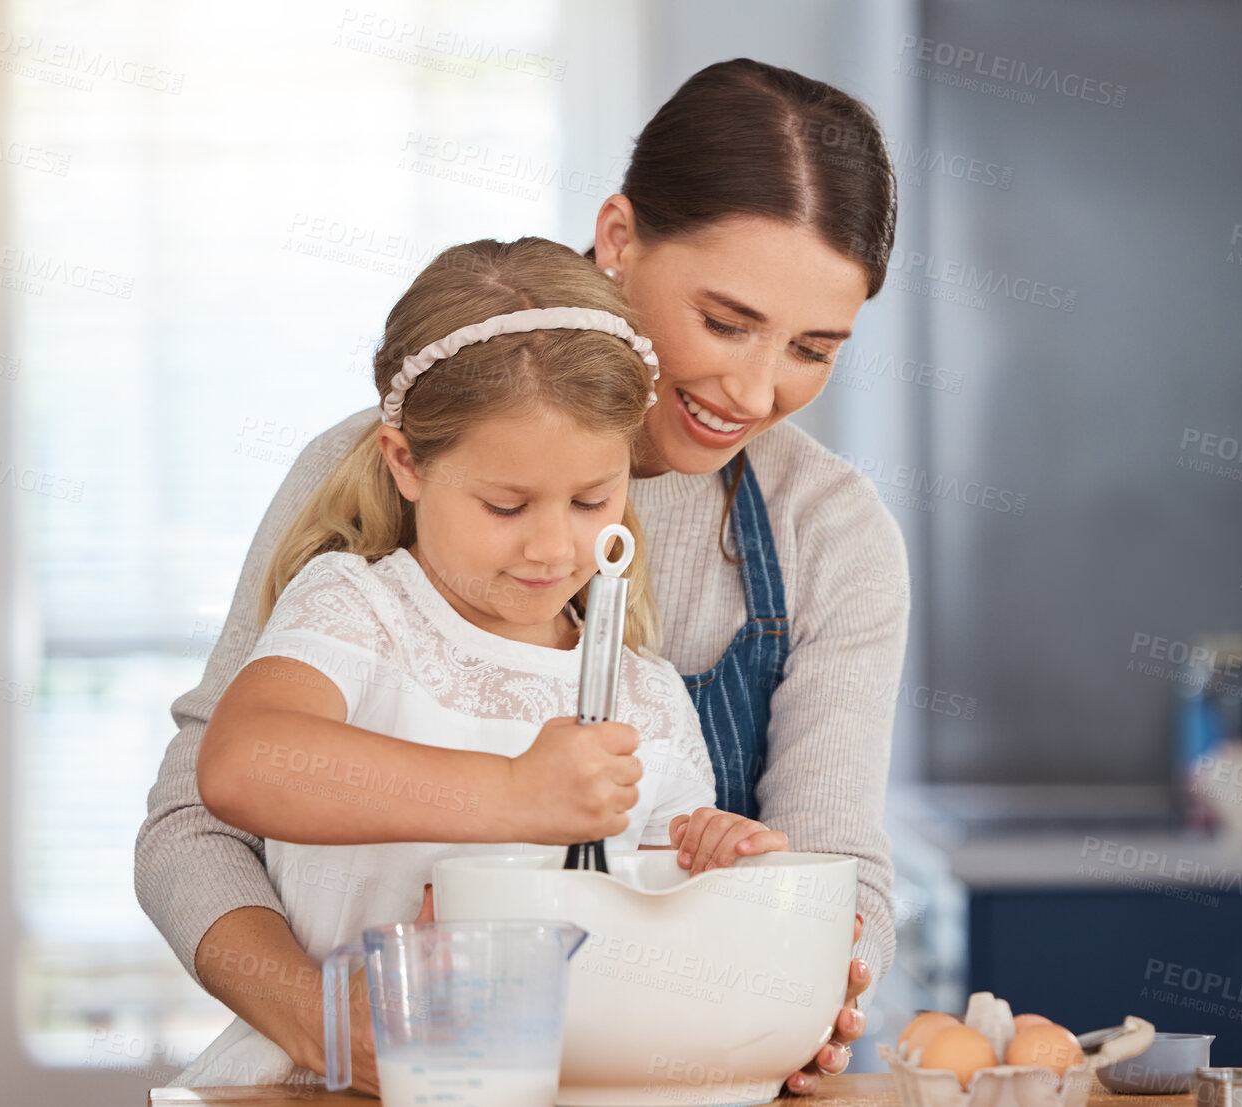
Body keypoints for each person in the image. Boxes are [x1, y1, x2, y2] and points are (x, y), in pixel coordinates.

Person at [136, 57, 905, 1096]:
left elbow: (827, 870)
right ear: (621, 239)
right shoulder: (377, 474)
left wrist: (808, 971)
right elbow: (202, 812)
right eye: (724, 322)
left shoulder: (827, 538)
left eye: (814, 348)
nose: (755, 389)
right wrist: (326, 1023)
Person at [174, 236, 788, 1086]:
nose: (551, 544)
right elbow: (242, 764)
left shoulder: (644, 699)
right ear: (407, 463)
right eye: (506, 504)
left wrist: (711, 863)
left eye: (590, 499)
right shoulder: (358, 608)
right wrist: (509, 794)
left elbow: (651, 931)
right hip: (322, 1086)